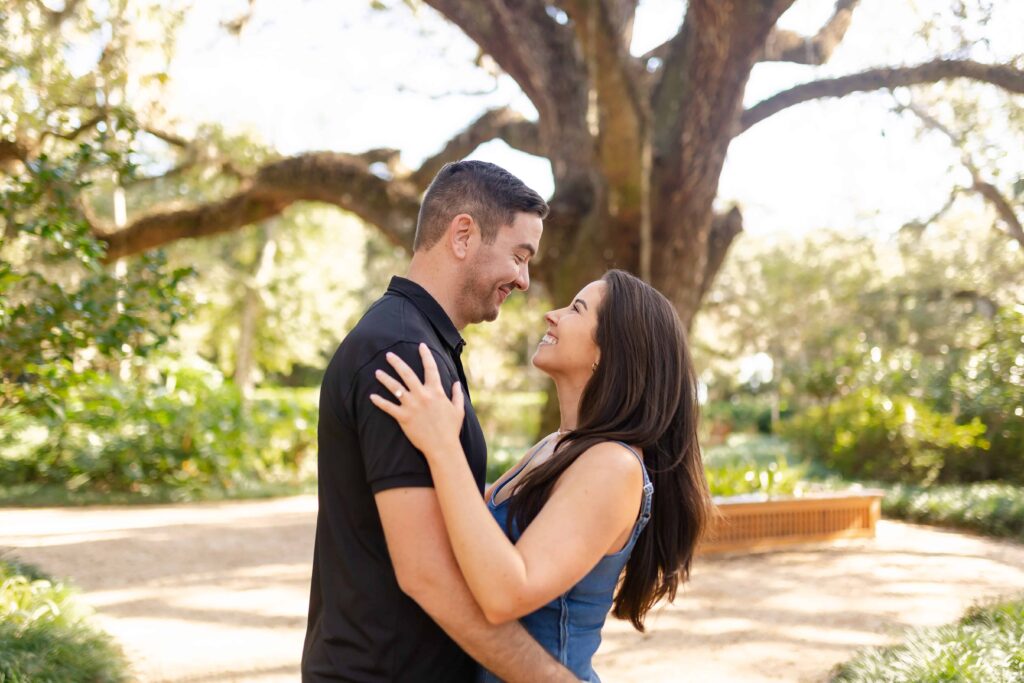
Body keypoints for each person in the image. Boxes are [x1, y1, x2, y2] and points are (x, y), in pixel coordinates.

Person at [301, 160, 578, 682]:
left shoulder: (422, 343)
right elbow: (426, 573)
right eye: (520, 256)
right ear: (463, 235)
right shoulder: (402, 351)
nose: (523, 279)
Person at [370, 269, 716, 682]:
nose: (552, 314)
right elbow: (470, 528)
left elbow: (505, 594)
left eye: (576, 309)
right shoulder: (556, 447)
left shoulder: (613, 465)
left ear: (607, 351)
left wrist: (442, 446)